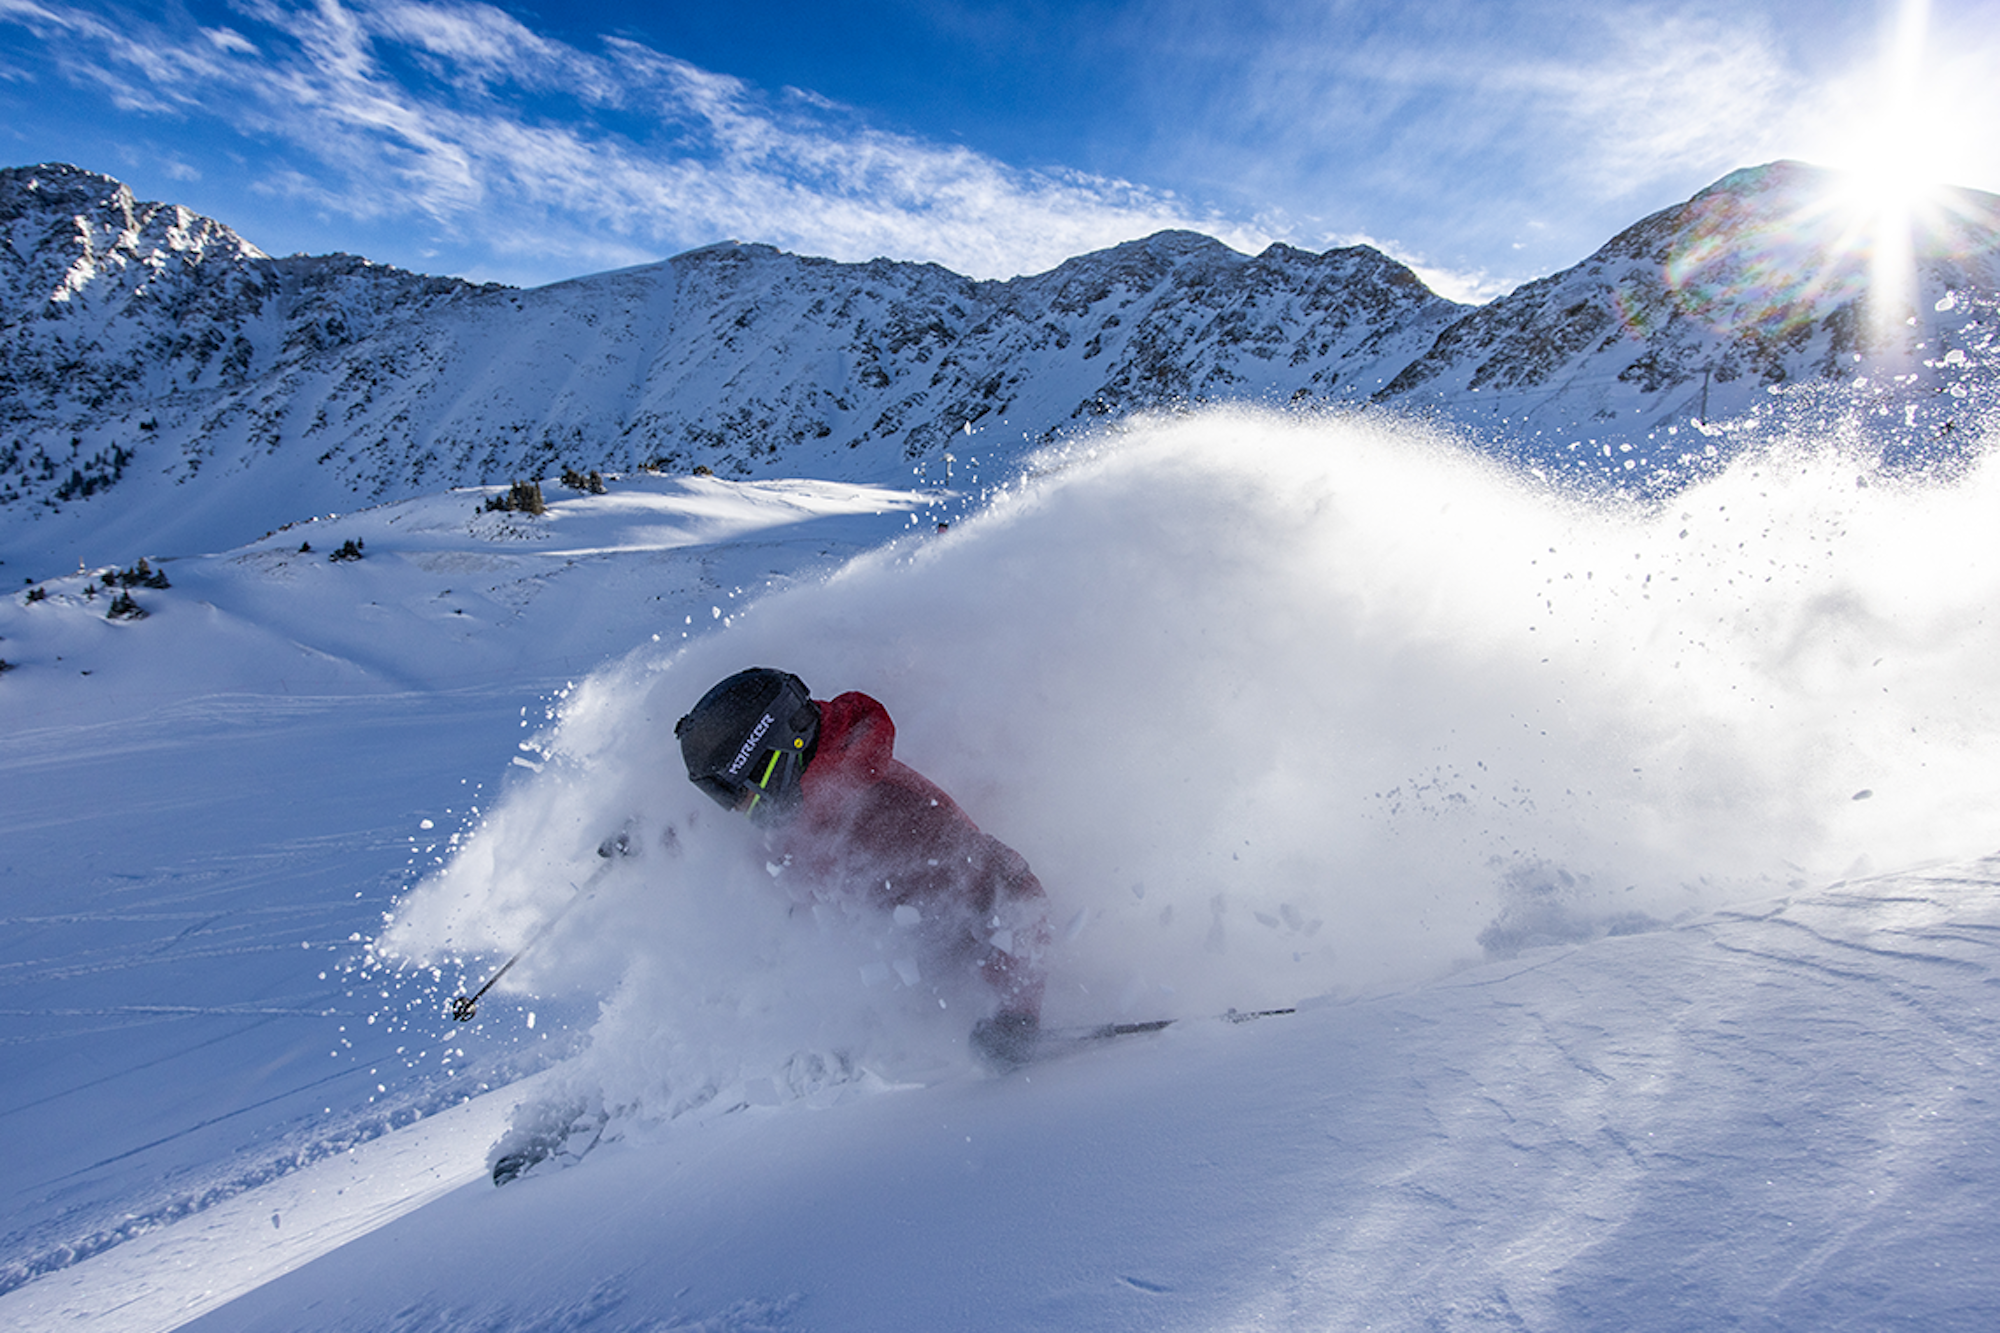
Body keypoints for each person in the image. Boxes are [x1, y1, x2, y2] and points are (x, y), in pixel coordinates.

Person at [675, 667, 1051, 1068]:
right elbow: (736, 840)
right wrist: (657, 836)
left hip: (935, 993)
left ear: (774, 760)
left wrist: (1015, 1013)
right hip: (856, 981)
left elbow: (1014, 891)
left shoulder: (893, 815)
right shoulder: (810, 794)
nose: (736, 810)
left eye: (740, 796)